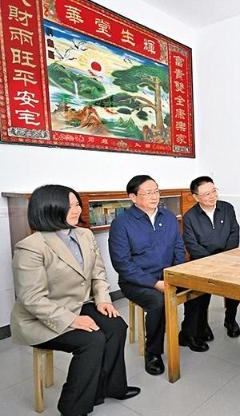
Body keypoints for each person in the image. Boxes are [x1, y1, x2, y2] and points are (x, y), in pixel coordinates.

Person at [11, 185, 140, 416]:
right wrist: (72, 320)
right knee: (92, 341)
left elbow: (98, 273)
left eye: (77, 204)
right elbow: (32, 299)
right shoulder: (31, 247)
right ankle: (72, 408)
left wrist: (103, 300)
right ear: (49, 208)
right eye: (70, 205)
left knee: (117, 326)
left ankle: (111, 387)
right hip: (40, 318)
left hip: (80, 304)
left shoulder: (84, 235)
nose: (77, 209)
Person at [109, 175, 186, 376]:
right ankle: (153, 352)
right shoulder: (121, 224)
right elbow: (122, 264)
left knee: (199, 286)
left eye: (156, 191)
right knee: (158, 302)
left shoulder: (168, 217)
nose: (154, 196)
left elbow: (178, 247)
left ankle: (190, 333)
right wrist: (154, 283)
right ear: (133, 197)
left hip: (168, 274)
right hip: (136, 281)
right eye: (148, 193)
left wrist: (176, 273)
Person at [182, 176, 240, 340]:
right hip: (203, 262)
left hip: (228, 259)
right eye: (207, 194)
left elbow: (234, 232)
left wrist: (225, 259)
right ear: (196, 197)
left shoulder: (227, 208)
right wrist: (211, 263)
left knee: (236, 286)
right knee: (200, 293)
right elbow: (191, 245)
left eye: (214, 191)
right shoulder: (189, 217)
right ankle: (202, 325)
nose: (213, 196)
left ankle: (230, 319)